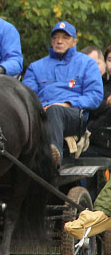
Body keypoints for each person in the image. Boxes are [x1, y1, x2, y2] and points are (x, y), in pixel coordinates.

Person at [22, 21, 103, 162]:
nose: (59, 41)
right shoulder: (36, 67)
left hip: (73, 116)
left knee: (55, 110)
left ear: (74, 42)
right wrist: (40, 108)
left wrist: (67, 104)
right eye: (56, 37)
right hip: (40, 113)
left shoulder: (87, 63)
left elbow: (95, 96)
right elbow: (27, 96)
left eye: (65, 37)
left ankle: (53, 158)